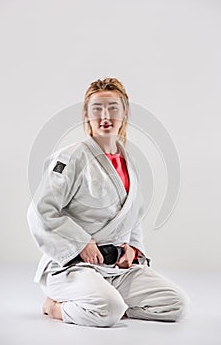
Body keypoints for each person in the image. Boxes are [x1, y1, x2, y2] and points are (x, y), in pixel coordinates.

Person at [27, 77, 189, 328]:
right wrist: (81, 243)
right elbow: (41, 211)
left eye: (113, 108)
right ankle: (56, 306)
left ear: (125, 114)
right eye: (97, 108)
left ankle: (104, 300)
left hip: (116, 269)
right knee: (109, 310)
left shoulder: (130, 162)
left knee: (175, 304)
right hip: (73, 266)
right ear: (86, 115)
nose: (105, 115)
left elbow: (133, 218)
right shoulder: (71, 158)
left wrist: (133, 251)